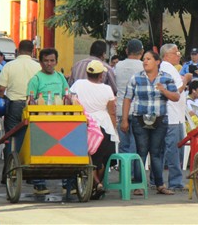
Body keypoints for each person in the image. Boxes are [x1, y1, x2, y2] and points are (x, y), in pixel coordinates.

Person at [120, 51, 180, 196]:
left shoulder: (166, 78)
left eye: (148, 59)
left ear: (157, 62)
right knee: (141, 151)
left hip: (160, 119)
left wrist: (164, 90)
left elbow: (176, 97)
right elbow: (127, 98)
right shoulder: (136, 77)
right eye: (144, 59)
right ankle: (139, 184)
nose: (145, 62)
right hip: (139, 118)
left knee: (157, 152)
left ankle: (159, 184)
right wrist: (124, 119)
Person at [70, 60, 117, 199]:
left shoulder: (78, 84)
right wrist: (114, 128)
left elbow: (70, 99)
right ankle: (97, 184)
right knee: (101, 160)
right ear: (101, 75)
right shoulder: (107, 89)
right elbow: (112, 111)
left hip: (83, 123)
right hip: (103, 126)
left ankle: (95, 185)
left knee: (88, 157)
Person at [0, 40, 40, 184]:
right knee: (32, 139)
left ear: (18, 50)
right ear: (33, 51)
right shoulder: (38, 66)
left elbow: (1, 89)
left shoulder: (9, 66)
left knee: (11, 139)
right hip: (33, 107)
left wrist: (0, 103)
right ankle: (32, 175)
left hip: (14, 106)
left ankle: (9, 173)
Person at [26, 48, 69, 195]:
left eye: (52, 61)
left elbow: (66, 95)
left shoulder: (61, 77)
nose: (49, 64)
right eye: (46, 61)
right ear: (40, 62)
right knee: (40, 151)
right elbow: (29, 101)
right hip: (41, 120)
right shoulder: (36, 79)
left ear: (56, 61)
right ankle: (39, 184)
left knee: (65, 151)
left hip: (60, 119)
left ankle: (67, 183)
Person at [157, 44, 192, 190]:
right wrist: (185, 81)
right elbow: (175, 91)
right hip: (171, 115)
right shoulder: (167, 67)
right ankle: (175, 181)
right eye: (175, 52)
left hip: (176, 115)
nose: (178, 55)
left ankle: (161, 180)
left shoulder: (170, 68)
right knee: (172, 150)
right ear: (166, 55)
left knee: (172, 149)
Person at [114, 39, 144, 157]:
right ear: (141, 51)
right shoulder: (143, 66)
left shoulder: (118, 65)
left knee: (124, 144)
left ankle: (124, 172)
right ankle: (134, 173)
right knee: (136, 144)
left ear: (126, 51)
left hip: (121, 109)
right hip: (138, 110)